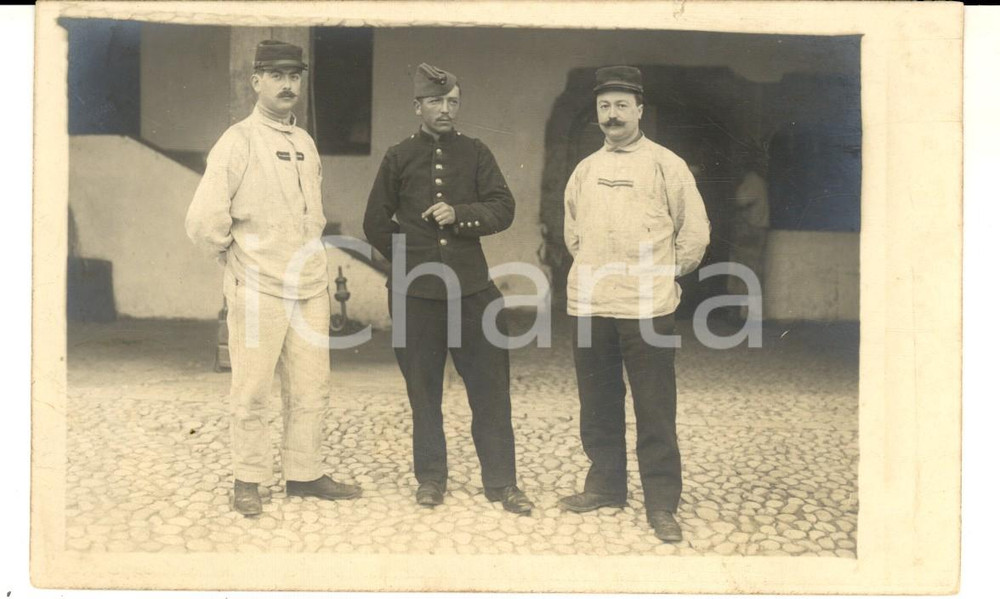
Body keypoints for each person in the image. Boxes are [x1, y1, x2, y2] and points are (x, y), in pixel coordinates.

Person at [185, 40, 361, 517]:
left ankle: (303, 475)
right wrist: (234, 258)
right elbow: (203, 220)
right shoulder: (237, 141)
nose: (287, 85)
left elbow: (312, 217)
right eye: (277, 75)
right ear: (256, 81)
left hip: (308, 288)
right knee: (253, 388)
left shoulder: (304, 143)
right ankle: (250, 478)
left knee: (310, 387)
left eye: (295, 76)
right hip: (258, 286)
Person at [363, 63, 534, 514]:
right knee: (423, 392)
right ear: (417, 106)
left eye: (452, 101)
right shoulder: (399, 156)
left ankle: (501, 484)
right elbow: (374, 222)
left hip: (472, 290)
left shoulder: (475, 153)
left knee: (491, 389)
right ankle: (431, 480)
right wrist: (412, 261)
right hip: (415, 295)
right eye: (436, 102)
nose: (445, 109)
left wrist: (460, 214)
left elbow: (504, 207)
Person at [558, 66, 711, 542]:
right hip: (591, 304)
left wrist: (662, 275)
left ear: (640, 110)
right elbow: (572, 232)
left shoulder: (667, 165)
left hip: (648, 307)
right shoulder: (585, 170)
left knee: (654, 406)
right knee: (598, 404)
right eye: (605, 106)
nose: (612, 115)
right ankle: (605, 485)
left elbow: (695, 233)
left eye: (622, 105)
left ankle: (662, 503)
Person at [727, 161, 770, 322]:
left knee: (745, 272)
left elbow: (740, 200)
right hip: (759, 229)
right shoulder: (760, 182)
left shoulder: (751, 182)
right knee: (754, 272)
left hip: (752, 229)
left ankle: (745, 314)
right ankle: (749, 313)